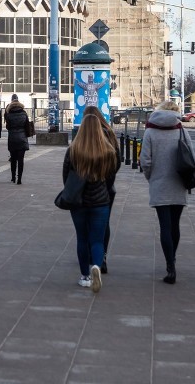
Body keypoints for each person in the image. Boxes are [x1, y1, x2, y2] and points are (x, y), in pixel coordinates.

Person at [139, 100, 194, 284]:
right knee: (175, 224)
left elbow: (145, 161)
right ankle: (173, 259)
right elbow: (191, 157)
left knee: (164, 226)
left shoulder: (150, 131)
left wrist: (150, 177)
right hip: (178, 182)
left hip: (159, 182)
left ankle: (170, 266)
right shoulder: (181, 130)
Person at [62, 113, 118, 293]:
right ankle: (96, 266)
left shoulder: (73, 150)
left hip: (79, 202)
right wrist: (104, 191)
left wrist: (73, 191)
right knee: (97, 240)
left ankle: (85, 276)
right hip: (101, 202)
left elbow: (66, 176)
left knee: (82, 238)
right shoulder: (107, 150)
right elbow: (110, 177)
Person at [83, 105, 122, 274]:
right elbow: (117, 162)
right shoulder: (110, 134)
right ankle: (102, 256)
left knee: (86, 224)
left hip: (85, 189)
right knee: (103, 224)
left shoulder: (84, 137)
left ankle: (89, 255)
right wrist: (107, 179)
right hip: (106, 188)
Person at [4, 94, 30, 184]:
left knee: (13, 159)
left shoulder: (9, 113)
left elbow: (8, 127)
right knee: (21, 159)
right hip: (22, 138)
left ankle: (13, 177)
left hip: (12, 138)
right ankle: (19, 179)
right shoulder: (24, 113)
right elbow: (27, 126)